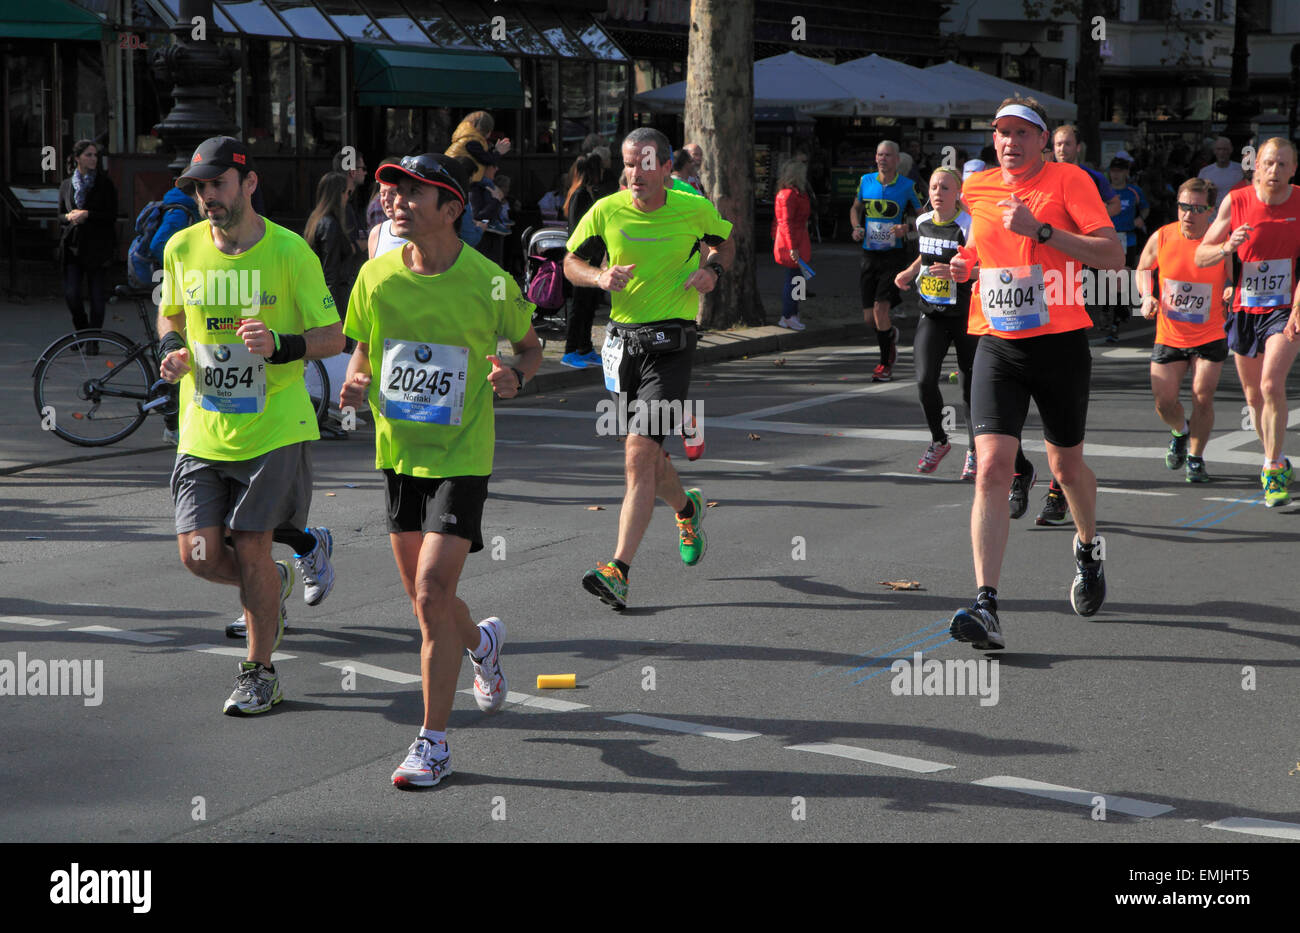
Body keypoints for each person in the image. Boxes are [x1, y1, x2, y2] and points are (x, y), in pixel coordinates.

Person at [338, 154, 542, 787]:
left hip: (462, 457)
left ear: (452, 208)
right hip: (398, 455)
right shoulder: (374, 278)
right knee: (429, 602)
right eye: (391, 191)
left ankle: (433, 744)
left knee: (430, 594)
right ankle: (482, 645)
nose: (394, 200)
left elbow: (530, 349)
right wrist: (353, 382)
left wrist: (515, 377)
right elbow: (362, 353)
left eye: (412, 192)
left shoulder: (491, 281)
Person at [156, 136, 344, 714]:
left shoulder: (290, 253)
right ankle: (275, 584)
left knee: (252, 547)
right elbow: (170, 311)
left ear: (249, 183)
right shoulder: (182, 247)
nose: (207, 196)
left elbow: (334, 337)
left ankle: (260, 672)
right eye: (199, 187)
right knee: (197, 554)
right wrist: (171, 347)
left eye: (217, 184)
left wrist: (281, 344)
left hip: (274, 430)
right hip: (203, 427)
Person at [946, 97, 1125, 650]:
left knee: (1066, 468)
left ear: (1042, 141)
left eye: (1022, 133)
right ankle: (986, 605)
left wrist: (1043, 231)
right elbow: (980, 246)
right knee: (992, 468)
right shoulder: (976, 189)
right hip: (996, 343)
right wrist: (966, 264)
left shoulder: (1069, 181)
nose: (1009, 142)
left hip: (1059, 344)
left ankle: (1088, 546)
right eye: (1001, 133)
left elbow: (1112, 256)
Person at [564, 127, 735, 610]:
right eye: (627, 163)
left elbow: (725, 243)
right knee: (650, 459)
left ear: (665, 167)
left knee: (638, 456)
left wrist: (712, 271)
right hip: (621, 348)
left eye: (643, 163)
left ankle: (617, 570)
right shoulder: (605, 208)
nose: (633, 173)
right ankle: (687, 508)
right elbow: (570, 261)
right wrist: (599, 276)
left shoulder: (692, 208)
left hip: (671, 348)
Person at [1196, 138, 1300, 507]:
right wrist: (1227, 246)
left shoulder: (1299, 201)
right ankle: (1278, 455)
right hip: (1244, 308)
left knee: (1272, 384)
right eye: (1269, 163)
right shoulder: (1237, 201)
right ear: (1257, 166)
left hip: (1284, 308)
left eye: (1282, 165)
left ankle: (1271, 468)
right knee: (1254, 395)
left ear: (1293, 169)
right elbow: (1201, 253)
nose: (1274, 171)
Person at [1136, 178, 1232, 482]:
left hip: (1210, 333)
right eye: (1183, 207)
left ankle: (1195, 457)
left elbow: (1233, 278)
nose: (1188, 214)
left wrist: (1230, 291)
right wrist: (1147, 295)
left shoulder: (1222, 242)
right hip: (1170, 335)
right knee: (1164, 401)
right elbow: (1142, 268)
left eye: (1196, 208)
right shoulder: (1163, 237)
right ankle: (1180, 431)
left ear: (1211, 211)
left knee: (1202, 396)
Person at [894, 166, 979, 478]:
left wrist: (960, 271)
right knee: (924, 379)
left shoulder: (968, 224)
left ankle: (974, 450)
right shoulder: (923, 222)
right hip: (932, 312)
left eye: (945, 188)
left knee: (971, 387)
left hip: (966, 314)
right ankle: (939, 440)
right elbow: (926, 256)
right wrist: (910, 271)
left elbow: (982, 261)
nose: (938, 194)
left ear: (957, 194)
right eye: (933, 188)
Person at [850, 140, 921, 382]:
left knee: (881, 309)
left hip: (894, 255)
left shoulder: (907, 186)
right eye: (879, 154)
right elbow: (856, 207)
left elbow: (925, 216)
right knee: (870, 318)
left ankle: (884, 364)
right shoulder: (865, 181)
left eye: (887, 155)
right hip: (870, 255)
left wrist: (907, 227)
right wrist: (857, 227)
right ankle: (890, 335)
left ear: (896, 160)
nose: (882, 159)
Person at [58, 139, 118, 347]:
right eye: (88, 155)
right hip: (73, 247)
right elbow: (59, 214)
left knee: (97, 298)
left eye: (95, 155)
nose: (93, 159)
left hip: (98, 246)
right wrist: (69, 217)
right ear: (77, 158)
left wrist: (88, 214)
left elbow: (111, 214)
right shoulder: (67, 185)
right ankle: (83, 331)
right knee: (72, 295)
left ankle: (93, 340)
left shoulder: (104, 183)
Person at [561, 153, 605, 369]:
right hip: (583, 258)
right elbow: (581, 228)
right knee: (579, 306)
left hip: (591, 258)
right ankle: (570, 350)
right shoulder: (580, 195)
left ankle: (585, 347)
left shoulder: (581, 193)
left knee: (588, 306)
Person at [1103, 154, 1149, 343]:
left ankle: (1115, 323)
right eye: (1113, 171)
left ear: (1126, 173)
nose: (1116, 175)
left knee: (1121, 280)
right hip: (1107, 240)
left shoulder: (1134, 191)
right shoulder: (1104, 192)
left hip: (1127, 239)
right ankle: (1110, 309)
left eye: (1120, 171)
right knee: (1107, 282)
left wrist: (1141, 219)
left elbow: (1145, 207)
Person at [303, 171, 357, 327]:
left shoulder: (316, 220)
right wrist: (333, 315)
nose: (348, 197)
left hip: (324, 297)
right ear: (338, 194)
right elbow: (330, 271)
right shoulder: (330, 225)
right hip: (334, 300)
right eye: (347, 192)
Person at [773, 159, 812, 331]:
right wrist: (792, 247)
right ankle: (789, 315)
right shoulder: (790, 195)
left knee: (797, 278)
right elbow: (786, 223)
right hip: (794, 240)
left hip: (796, 239)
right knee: (795, 278)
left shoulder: (791, 194)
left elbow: (783, 222)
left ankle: (791, 314)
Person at [445, 111, 511, 184]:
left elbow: (481, 155)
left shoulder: (468, 137)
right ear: (487, 130)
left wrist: (494, 150)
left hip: (453, 175)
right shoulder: (471, 141)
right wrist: (498, 152)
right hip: (458, 177)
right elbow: (486, 160)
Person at [1197, 137, 1244, 210]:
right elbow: (1199, 194)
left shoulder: (1241, 171)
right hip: (1212, 216)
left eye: (1225, 149)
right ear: (1214, 151)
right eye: (1219, 149)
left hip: (1235, 213)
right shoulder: (1205, 172)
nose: (1222, 152)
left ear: (1231, 150)